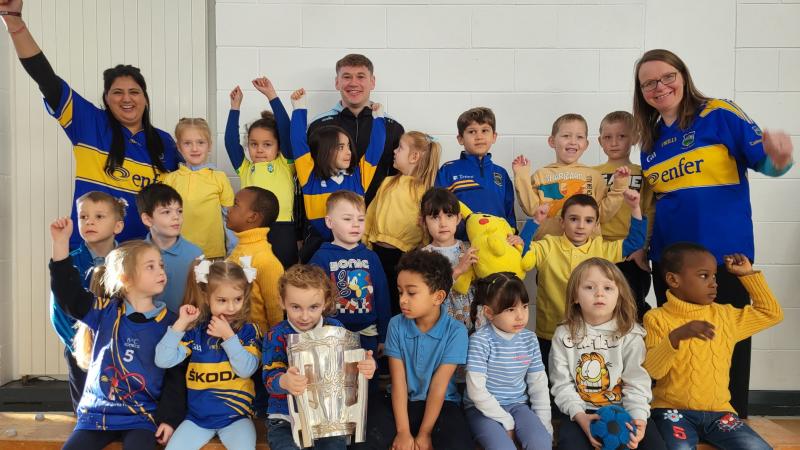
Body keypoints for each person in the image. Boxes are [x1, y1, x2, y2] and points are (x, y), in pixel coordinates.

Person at [633, 48, 794, 416]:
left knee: (727, 344)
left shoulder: (720, 112)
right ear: (641, 93)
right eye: (648, 83)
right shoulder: (650, 141)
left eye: (667, 77)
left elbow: (766, 162)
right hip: (670, 261)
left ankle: (731, 421)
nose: (660, 87)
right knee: (677, 344)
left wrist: (780, 159)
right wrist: (643, 245)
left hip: (725, 257)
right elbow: (652, 203)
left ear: (683, 76)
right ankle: (679, 419)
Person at [1, 0, 181, 248]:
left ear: (146, 99)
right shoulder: (88, 122)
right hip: (89, 252)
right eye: (117, 92)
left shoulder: (165, 142)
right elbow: (46, 79)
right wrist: (14, 21)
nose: (126, 99)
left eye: (134, 92)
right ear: (106, 99)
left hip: (144, 255)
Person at [49, 219, 184, 449]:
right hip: (96, 415)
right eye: (150, 266)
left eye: (161, 265)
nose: (161, 271)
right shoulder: (105, 312)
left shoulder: (173, 323)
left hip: (141, 417)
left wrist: (170, 419)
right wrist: (60, 243)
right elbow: (68, 295)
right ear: (125, 278)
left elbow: (176, 378)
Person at [643, 243, 783, 449]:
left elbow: (771, 313)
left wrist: (748, 275)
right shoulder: (657, 318)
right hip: (672, 412)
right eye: (703, 276)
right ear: (673, 280)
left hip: (720, 414)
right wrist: (676, 337)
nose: (714, 283)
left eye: (714, 276)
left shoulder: (725, 316)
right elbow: (653, 370)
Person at [550, 258, 666, 450]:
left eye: (608, 288)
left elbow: (637, 382)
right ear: (575, 296)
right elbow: (562, 385)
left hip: (625, 408)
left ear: (619, 296)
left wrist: (639, 418)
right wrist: (579, 416)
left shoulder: (631, 334)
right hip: (582, 410)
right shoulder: (563, 335)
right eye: (589, 287)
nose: (599, 293)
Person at [364, 250, 474, 450]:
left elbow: (439, 387)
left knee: (459, 444)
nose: (402, 300)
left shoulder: (456, 331)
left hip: (442, 403)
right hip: (400, 401)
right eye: (400, 292)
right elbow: (398, 382)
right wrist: (403, 432)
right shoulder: (396, 325)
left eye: (411, 293)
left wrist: (425, 433)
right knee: (365, 441)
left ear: (438, 297)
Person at [523, 193, 645, 370]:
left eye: (588, 221)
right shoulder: (547, 245)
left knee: (585, 377)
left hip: (590, 335)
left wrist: (635, 208)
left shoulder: (601, 248)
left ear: (596, 225)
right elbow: (521, 252)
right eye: (574, 219)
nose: (581, 226)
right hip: (549, 332)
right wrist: (534, 222)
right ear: (562, 222)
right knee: (550, 381)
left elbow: (635, 242)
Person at [262, 264, 376, 450]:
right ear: (282, 302)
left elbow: (352, 365)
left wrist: (366, 365)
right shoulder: (276, 335)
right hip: (286, 418)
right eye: (296, 307)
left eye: (313, 307)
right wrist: (284, 381)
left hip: (329, 417)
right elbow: (268, 378)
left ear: (326, 302)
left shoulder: (335, 328)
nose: (304, 316)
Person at [155, 260, 261, 450]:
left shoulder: (249, 331)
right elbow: (163, 360)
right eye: (222, 300)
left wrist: (228, 336)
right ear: (206, 297)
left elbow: (246, 370)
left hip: (236, 419)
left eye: (237, 299)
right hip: (196, 420)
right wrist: (181, 323)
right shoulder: (196, 331)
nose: (231, 308)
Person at [50, 191, 126, 412]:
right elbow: (59, 312)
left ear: (118, 226)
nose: (89, 222)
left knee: (118, 405)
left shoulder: (129, 261)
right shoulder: (68, 261)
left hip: (120, 350)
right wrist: (78, 346)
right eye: (83, 217)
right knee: (86, 409)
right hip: (81, 352)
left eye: (99, 216)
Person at [289, 88, 386, 262]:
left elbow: (376, 148)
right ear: (325, 150)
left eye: (348, 146)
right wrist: (299, 108)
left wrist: (378, 118)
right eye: (340, 147)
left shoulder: (358, 177)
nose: (348, 152)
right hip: (317, 245)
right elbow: (298, 143)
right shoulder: (310, 177)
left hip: (352, 246)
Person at [464, 273, 552, 450]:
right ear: (489, 312)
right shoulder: (480, 340)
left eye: (524, 307)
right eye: (511, 310)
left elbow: (538, 384)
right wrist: (506, 421)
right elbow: (476, 391)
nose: (520, 316)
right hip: (481, 410)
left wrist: (544, 425)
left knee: (541, 442)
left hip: (518, 405)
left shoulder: (529, 339)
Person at [307, 53, 405, 206]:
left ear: (372, 82)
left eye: (361, 76)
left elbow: (402, 177)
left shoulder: (392, 127)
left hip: (380, 215)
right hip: (329, 216)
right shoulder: (318, 126)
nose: (353, 83)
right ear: (337, 82)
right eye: (347, 77)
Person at [513, 113, 629, 239]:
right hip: (547, 246)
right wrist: (521, 176)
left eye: (579, 137)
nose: (573, 142)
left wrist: (619, 187)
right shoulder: (541, 175)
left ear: (586, 144)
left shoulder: (594, 176)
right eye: (566, 136)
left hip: (586, 248)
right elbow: (532, 210)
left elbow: (602, 215)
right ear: (552, 141)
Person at [308, 191, 390, 371]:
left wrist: (384, 336)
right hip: (331, 335)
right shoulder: (320, 258)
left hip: (367, 334)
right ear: (329, 222)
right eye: (347, 219)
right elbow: (311, 300)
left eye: (361, 219)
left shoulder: (371, 257)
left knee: (368, 378)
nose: (355, 225)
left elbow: (382, 297)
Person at [364, 131, 441, 315]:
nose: (394, 151)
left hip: (404, 257)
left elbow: (426, 228)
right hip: (376, 253)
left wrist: (422, 248)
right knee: (374, 299)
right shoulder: (388, 182)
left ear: (414, 157)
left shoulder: (424, 191)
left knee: (398, 301)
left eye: (400, 148)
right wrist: (365, 242)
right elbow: (371, 214)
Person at [226, 77, 298, 267]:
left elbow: (286, 130)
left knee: (284, 276)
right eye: (254, 144)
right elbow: (230, 142)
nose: (259, 150)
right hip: (251, 230)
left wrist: (272, 96)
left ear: (278, 146)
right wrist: (235, 107)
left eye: (267, 144)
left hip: (282, 229)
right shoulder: (245, 168)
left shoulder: (285, 164)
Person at [594, 111, 655, 320]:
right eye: (608, 137)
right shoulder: (591, 173)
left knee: (633, 308)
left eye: (622, 136)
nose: (614, 142)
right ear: (600, 141)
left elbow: (649, 211)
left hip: (632, 251)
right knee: (600, 308)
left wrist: (642, 247)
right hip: (600, 248)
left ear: (635, 138)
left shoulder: (643, 174)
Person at [162, 118, 234, 259]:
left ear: (209, 145)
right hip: (178, 253)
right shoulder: (170, 179)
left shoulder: (219, 178)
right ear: (179, 147)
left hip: (212, 254)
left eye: (200, 142)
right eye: (187, 143)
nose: (194, 149)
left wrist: (233, 250)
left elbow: (229, 217)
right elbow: (162, 218)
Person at [435, 107, 516, 231]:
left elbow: (509, 212)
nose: (479, 136)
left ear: (494, 137)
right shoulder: (448, 171)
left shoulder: (501, 173)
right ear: (460, 138)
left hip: (498, 240)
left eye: (485, 130)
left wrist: (513, 232)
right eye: (472, 132)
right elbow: (437, 208)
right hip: (461, 241)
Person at [136, 183, 203, 313]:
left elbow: (202, 299)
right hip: (148, 324)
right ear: (147, 219)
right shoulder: (136, 256)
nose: (176, 217)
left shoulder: (196, 254)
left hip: (187, 323)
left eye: (179, 211)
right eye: (166, 212)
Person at [226, 187, 284, 333]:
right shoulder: (239, 250)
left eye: (235, 204)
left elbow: (275, 310)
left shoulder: (265, 260)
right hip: (233, 335)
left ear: (252, 217)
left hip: (256, 341)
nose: (228, 209)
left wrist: (273, 342)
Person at [419, 187, 477, 330]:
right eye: (435, 217)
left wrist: (514, 243)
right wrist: (458, 270)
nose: (443, 223)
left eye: (449, 215)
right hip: (442, 330)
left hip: (474, 327)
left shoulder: (469, 248)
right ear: (424, 222)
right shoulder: (423, 257)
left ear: (458, 218)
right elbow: (427, 294)